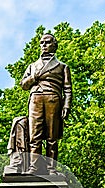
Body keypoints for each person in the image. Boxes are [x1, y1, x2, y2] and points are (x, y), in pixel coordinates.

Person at [20, 33, 72, 175]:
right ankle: (34, 167)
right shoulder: (32, 66)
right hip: (35, 99)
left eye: (47, 42)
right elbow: (23, 85)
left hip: (53, 100)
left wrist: (66, 105)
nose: (44, 45)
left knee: (51, 137)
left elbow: (67, 88)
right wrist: (33, 77)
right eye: (42, 43)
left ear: (54, 45)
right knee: (34, 136)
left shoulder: (62, 67)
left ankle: (51, 168)